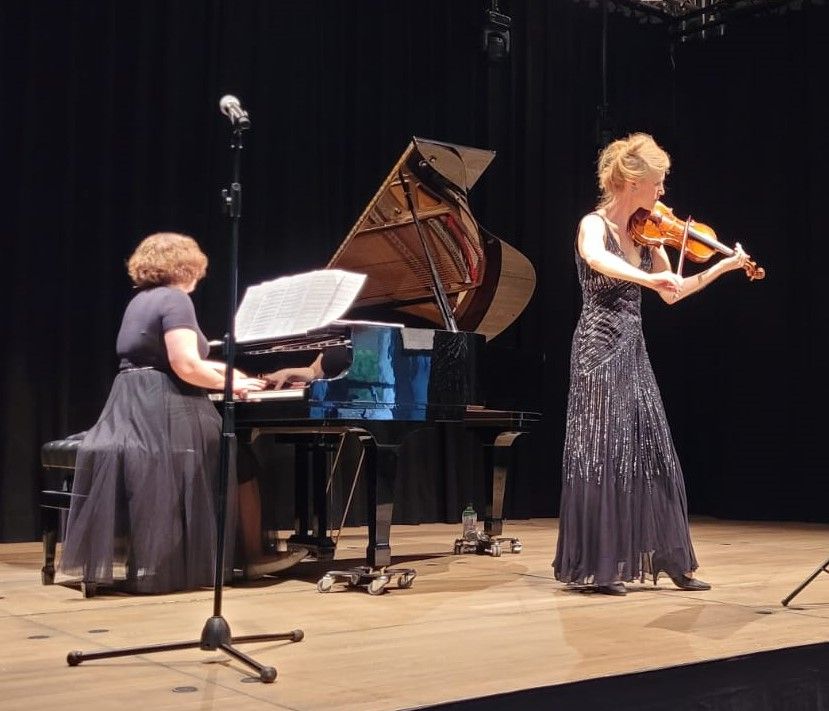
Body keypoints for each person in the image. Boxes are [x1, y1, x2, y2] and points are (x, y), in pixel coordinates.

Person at [552, 133, 751, 596]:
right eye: (657, 182)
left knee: (653, 448)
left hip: (633, 350)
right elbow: (596, 259)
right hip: (597, 351)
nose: (663, 192)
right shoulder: (593, 225)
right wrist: (647, 278)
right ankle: (601, 566)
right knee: (600, 453)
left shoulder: (650, 233)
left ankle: (672, 559)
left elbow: (672, 291)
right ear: (632, 182)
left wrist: (722, 267)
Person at [58, 232, 266, 594]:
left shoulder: (141, 300)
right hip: (162, 408)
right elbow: (185, 365)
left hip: (133, 404)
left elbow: (169, 359)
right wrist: (232, 385)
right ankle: (251, 556)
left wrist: (230, 374)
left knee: (232, 455)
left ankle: (210, 554)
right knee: (238, 460)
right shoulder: (176, 299)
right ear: (188, 267)